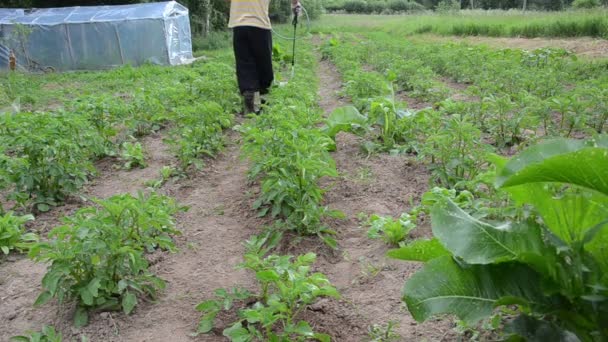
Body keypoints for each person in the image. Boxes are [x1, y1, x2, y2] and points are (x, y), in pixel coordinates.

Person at [228, 0, 301, 114]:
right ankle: (265, 105)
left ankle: (250, 104)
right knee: (264, 65)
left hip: (239, 25)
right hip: (260, 25)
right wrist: (295, 4)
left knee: (244, 64)